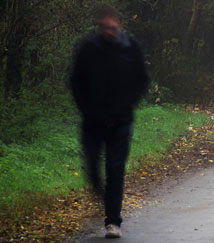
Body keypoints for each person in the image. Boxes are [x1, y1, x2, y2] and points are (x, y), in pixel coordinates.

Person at [70, 4, 149, 239]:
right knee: (93, 167)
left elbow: (142, 80)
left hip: (120, 121)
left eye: (112, 27)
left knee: (116, 170)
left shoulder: (131, 48)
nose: (109, 32)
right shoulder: (87, 48)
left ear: (119, 25)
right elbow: (76, 81)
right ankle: (98, 189)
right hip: (92, 122)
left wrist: (128, 104)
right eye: (104, 27)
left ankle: (113, 221)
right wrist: (85, 109)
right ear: (99, 26)